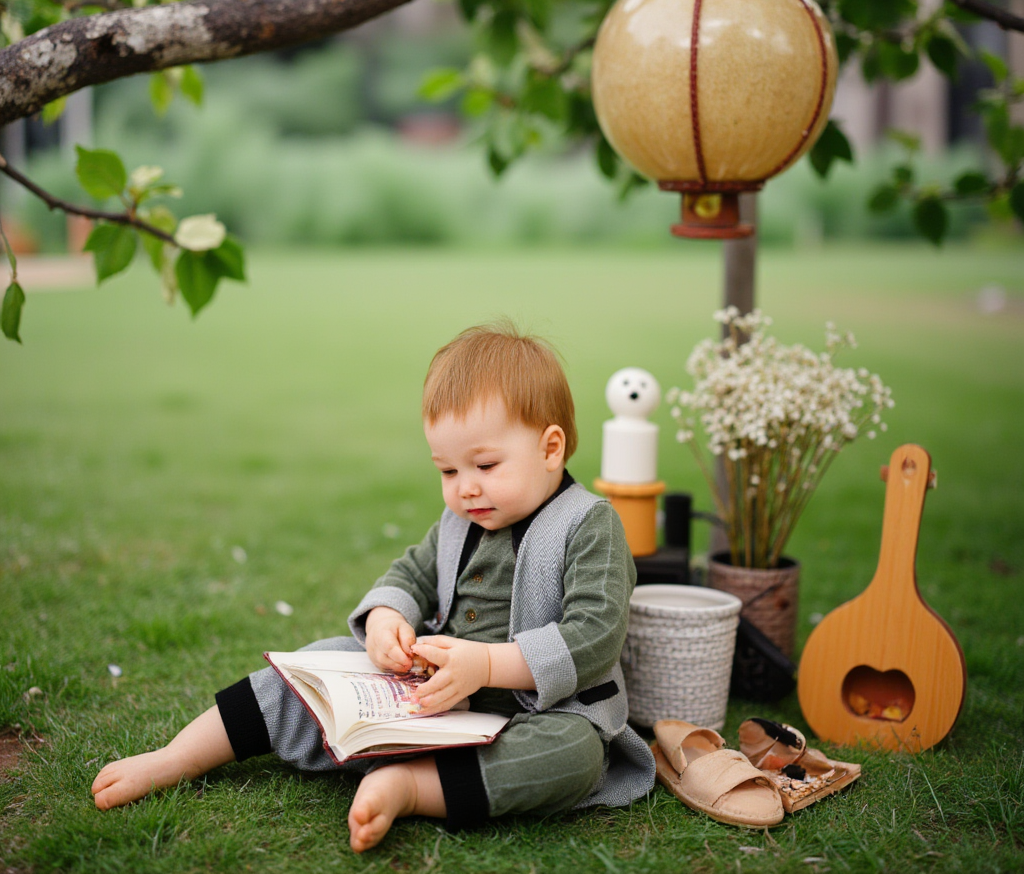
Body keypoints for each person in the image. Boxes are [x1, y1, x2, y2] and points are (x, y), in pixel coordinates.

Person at [91, 322, 656, 851]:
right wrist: (388, 619)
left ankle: (409, 786)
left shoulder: (588, 525)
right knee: (312, 668)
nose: (465, 489)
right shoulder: (462, 520)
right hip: (433, 691)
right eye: (448, 471)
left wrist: (486, 668)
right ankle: (177, 757)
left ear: (550, 448)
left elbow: (595, 634)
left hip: (545, 711)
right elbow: (410, 573)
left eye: (484, 464)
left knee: (575, 759)